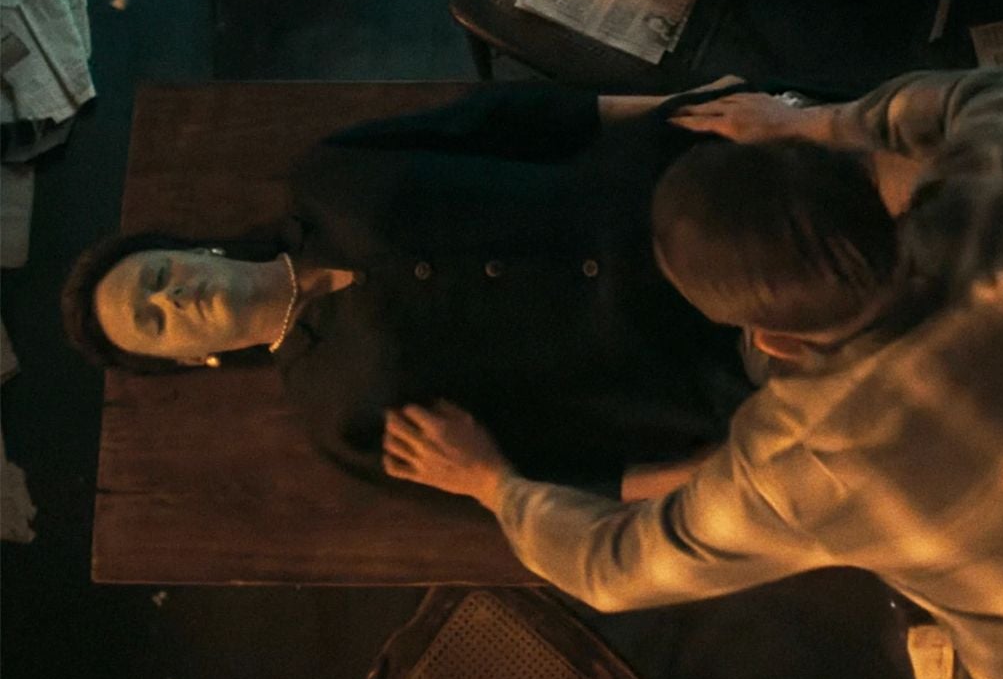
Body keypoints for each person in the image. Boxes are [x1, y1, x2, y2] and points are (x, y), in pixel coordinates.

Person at [377, 0, 1003, 679]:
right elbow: (971, 103)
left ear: (772, 342)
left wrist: (491, 481)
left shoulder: (802, 464)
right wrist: (810, 121)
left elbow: (612, 568)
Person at [63, 79, 764, 495]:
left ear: (190, 250)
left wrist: (678, 107)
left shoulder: (329, 174)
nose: (172, 298)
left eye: (158, 276)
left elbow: (502, 120)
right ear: (191, 358)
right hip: (710, 359)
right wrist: (710, 472)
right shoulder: (340, 416)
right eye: (155, 320)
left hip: (694, 183)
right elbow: (536, 477)